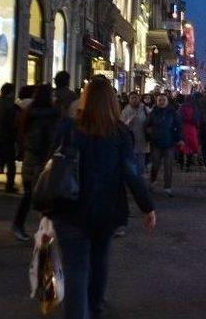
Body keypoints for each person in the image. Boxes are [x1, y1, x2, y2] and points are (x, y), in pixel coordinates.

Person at [48, 78, 156, 319]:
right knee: (99, 262)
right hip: (105, 210)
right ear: (112, 102)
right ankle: (95, 307)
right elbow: (131, 172)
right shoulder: (119, 132)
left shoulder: (69, 127)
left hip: (69, 208)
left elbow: (53, 164)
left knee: (75, 269)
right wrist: (147, 207)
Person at [12, 85, 60, 241]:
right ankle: (44, 232)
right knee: (43, 198)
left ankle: (20, 225)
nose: (54, 97)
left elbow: (24, 137)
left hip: (30, 159)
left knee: (30, 195)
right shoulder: (48, 116)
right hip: (41, 162)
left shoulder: (29, 113)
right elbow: (46, 141)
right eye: (52, 95)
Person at [145, 94, 183, 197]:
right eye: (159, 100)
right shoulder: (153, 113)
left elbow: (178, 126)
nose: (161, 102)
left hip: (169, 143)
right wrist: (150, 134)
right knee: (155, 165)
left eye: (163, 100)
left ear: (167, 101)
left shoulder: (172, 112)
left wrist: (179, 139)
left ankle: (167, 188)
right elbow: (147, 125)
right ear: (157, 101)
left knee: (168, 166)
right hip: (156, 143)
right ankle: (153, 181)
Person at [121, 91, 149, 179]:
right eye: (132, 98)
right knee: (131, 158)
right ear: (129, 99)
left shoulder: (145, 109)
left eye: (135, 98)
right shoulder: (125, 110)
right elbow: (121, 125)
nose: (134, 100)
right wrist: (129, 121)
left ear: (139, 98)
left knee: (141, 159)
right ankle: (133, 177)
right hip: (130, 138)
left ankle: (141, 176)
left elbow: (151, 120)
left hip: (142, 138)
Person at [179, 96, 200, 171]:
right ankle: (188, 164)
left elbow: (179, 117)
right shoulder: (194, 107)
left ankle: (181, 163)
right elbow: (197, 118)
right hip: (192, 128)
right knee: (191, 146)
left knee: (183, 145)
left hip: (183, 128)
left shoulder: (182, 108)